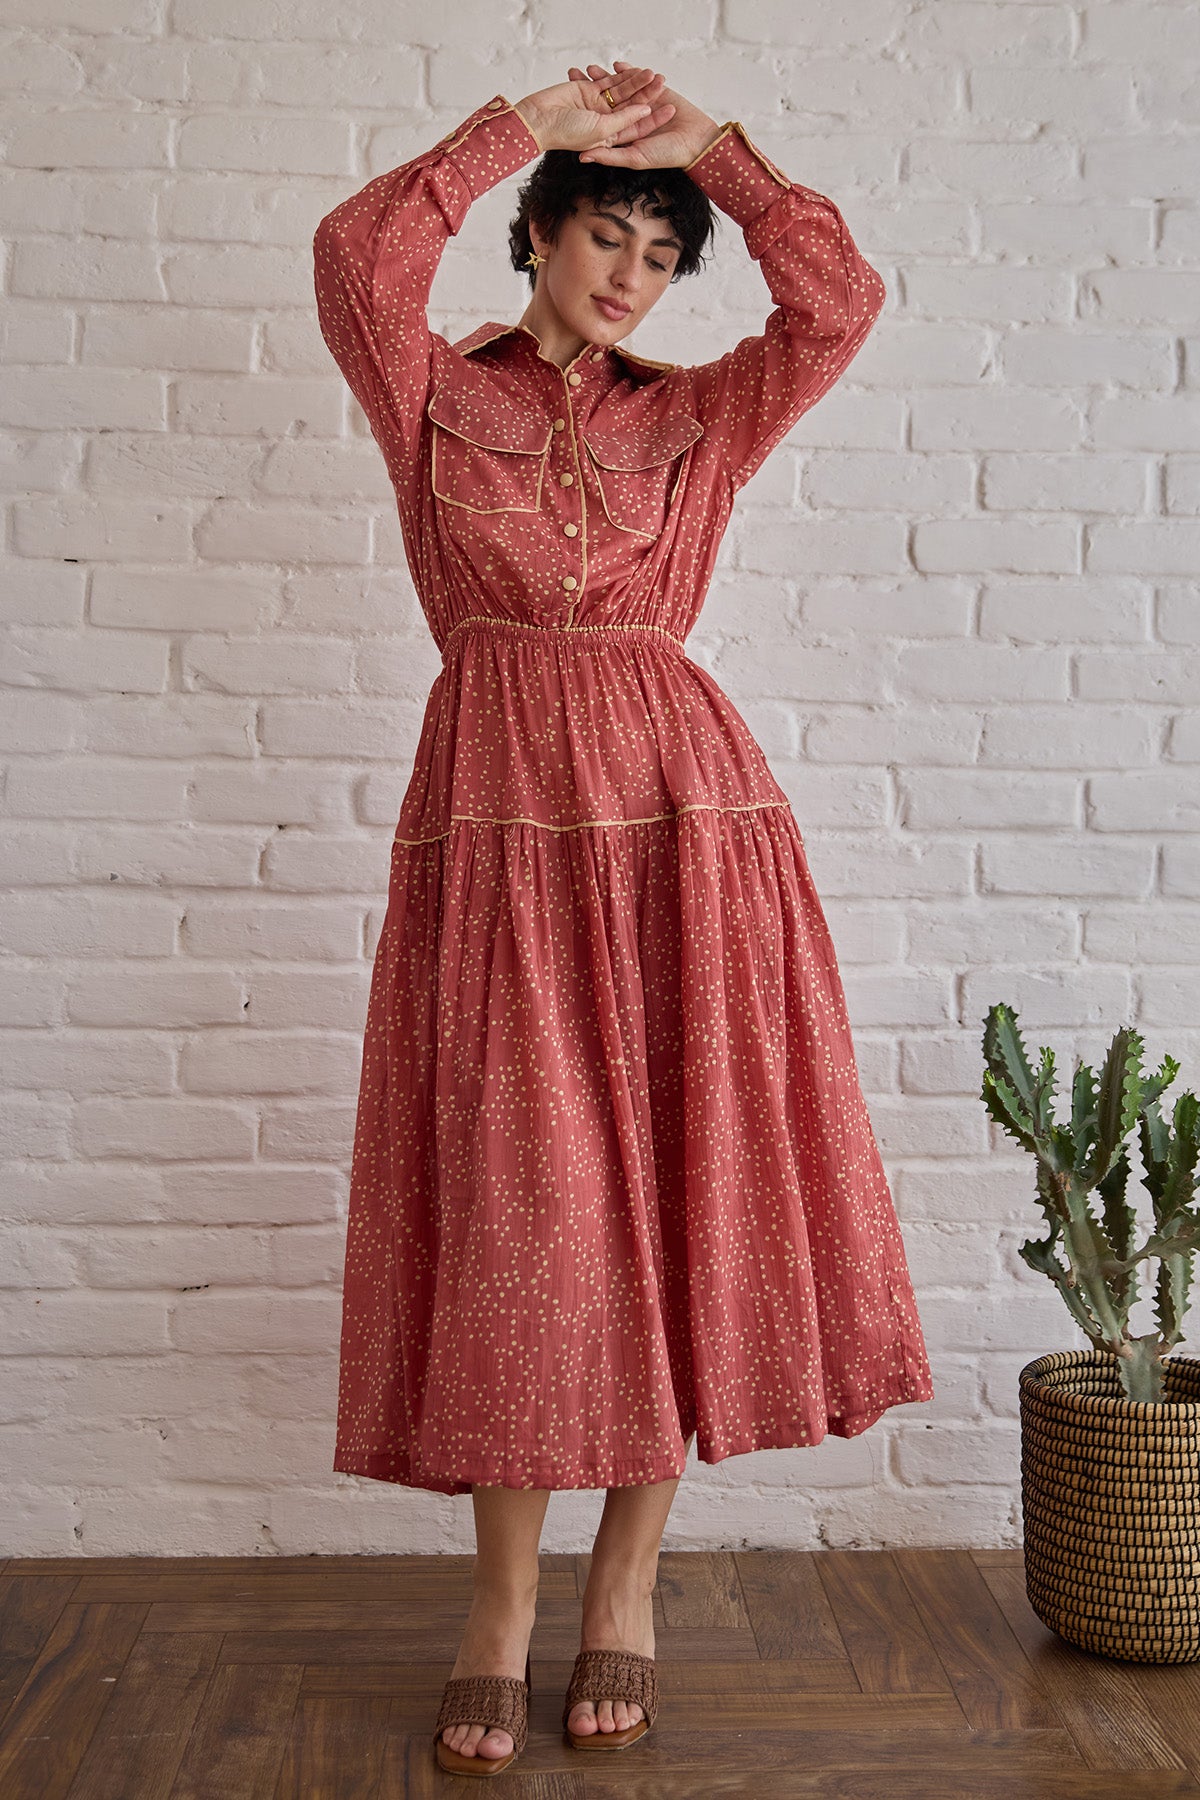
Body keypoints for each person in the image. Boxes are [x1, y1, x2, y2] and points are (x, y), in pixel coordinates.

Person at [312, 58, 934, 1778]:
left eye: (662, 256)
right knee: (528, 1213)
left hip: (682, 824)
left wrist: (718, 155)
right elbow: (357, 254)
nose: (633, 276)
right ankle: (500, 1605)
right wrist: (521, 126)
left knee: (679, 1183)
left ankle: (628, 1587)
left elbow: (840, 298)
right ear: (538, 233)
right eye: (606, 236)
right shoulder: (430, 389)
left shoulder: (702, 420)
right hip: (504, 828)